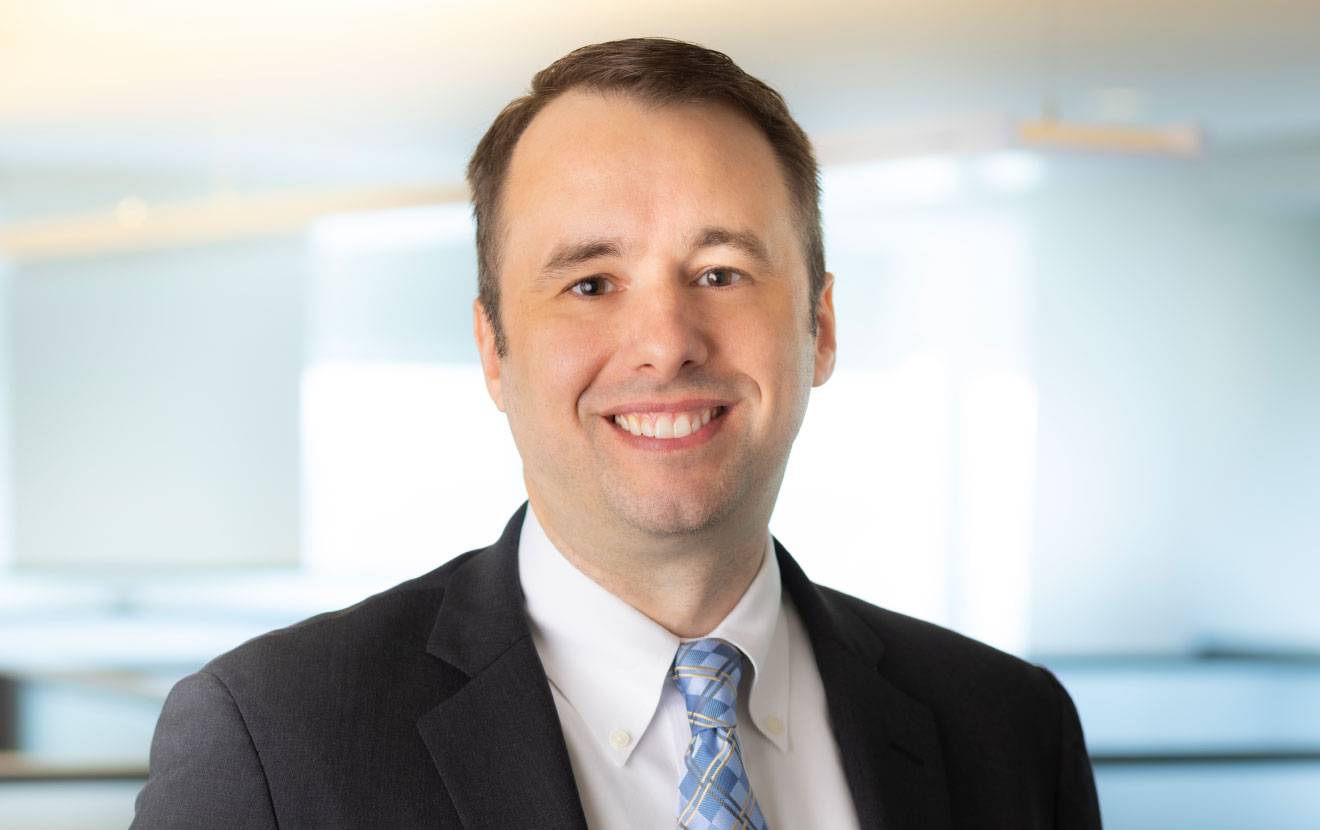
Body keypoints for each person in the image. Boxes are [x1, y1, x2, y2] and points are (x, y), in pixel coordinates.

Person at [132, 37, 1101, 829]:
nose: (666, 342)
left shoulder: (1009, 728)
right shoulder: (274, 741)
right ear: (494, 349)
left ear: (821, 326)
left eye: (721, 272)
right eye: (590, 283)